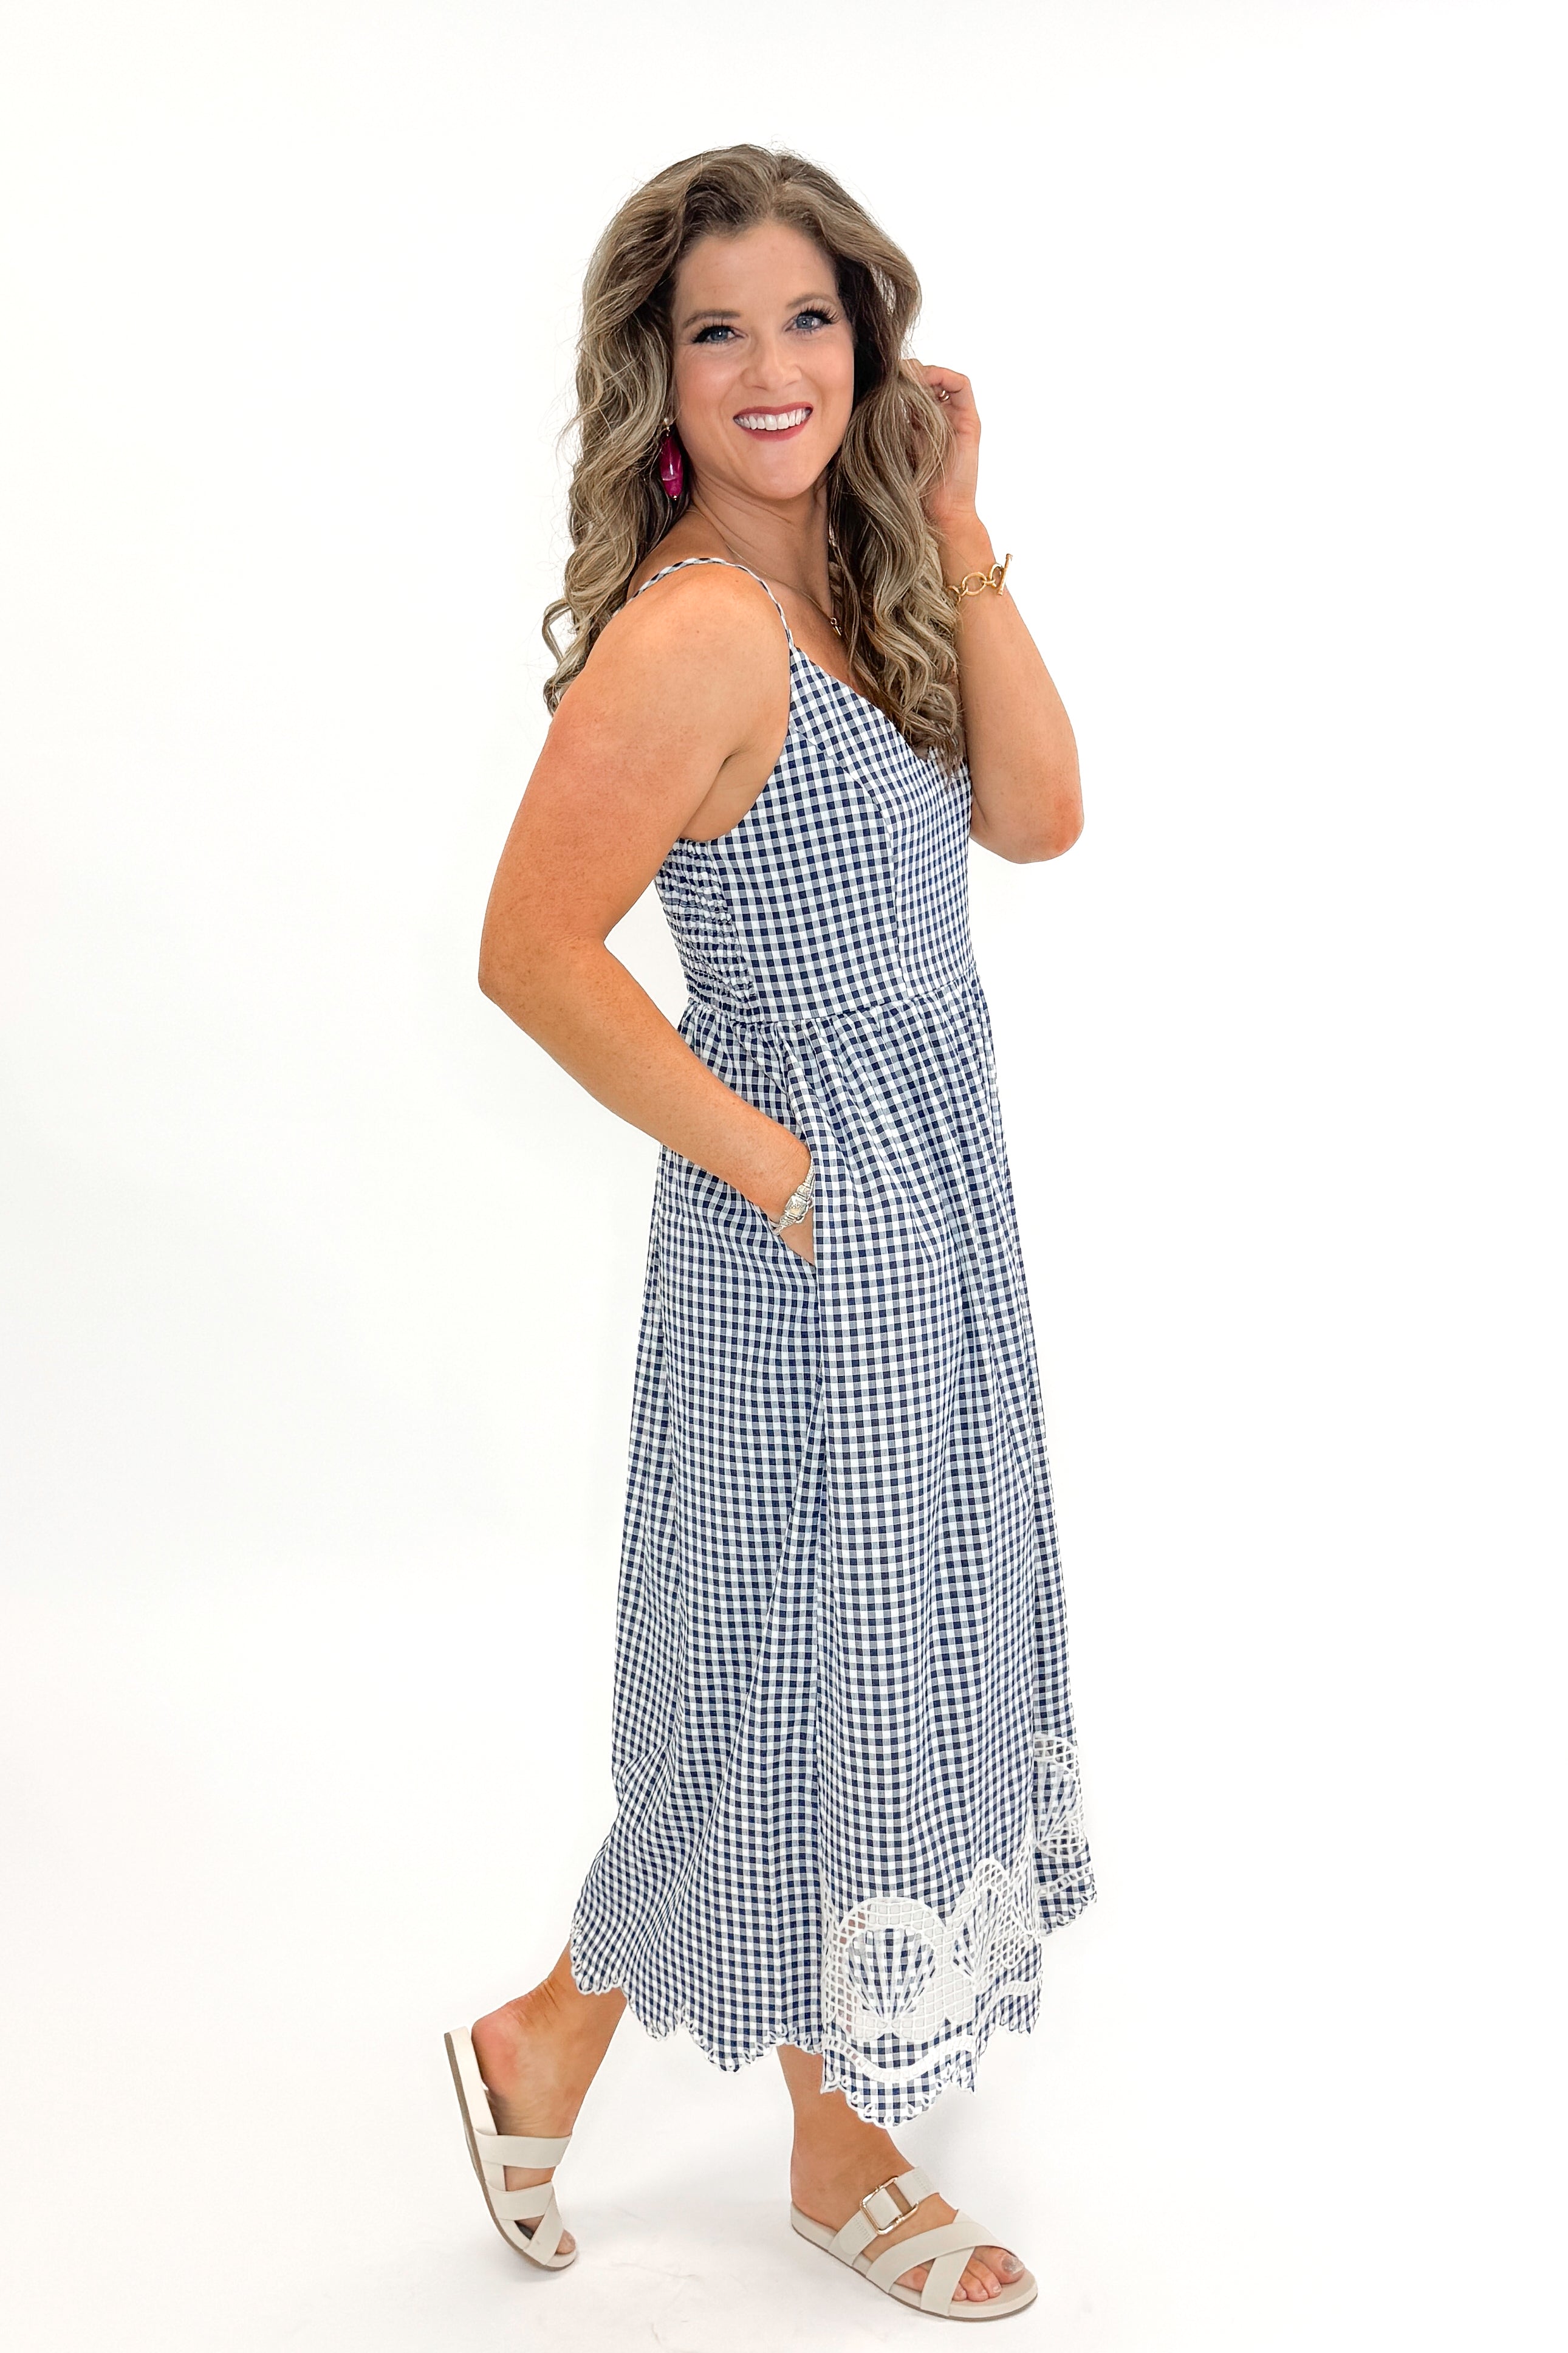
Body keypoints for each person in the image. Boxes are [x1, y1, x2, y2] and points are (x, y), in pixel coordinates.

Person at [446, 143, 1096, 2321]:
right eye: (716, 327)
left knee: (843, 1662)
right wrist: (774, 1164)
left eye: (807, 317)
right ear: (657, 372)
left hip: (936, 1202)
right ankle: (812, 2136)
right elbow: (534, 951)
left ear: (865, 341)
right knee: (815, 1677)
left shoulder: (852, 594)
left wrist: (959, 519)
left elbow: (1039, 817)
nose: (769, 365)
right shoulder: (701, 631)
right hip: (808, 1222)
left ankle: (599, 2057)